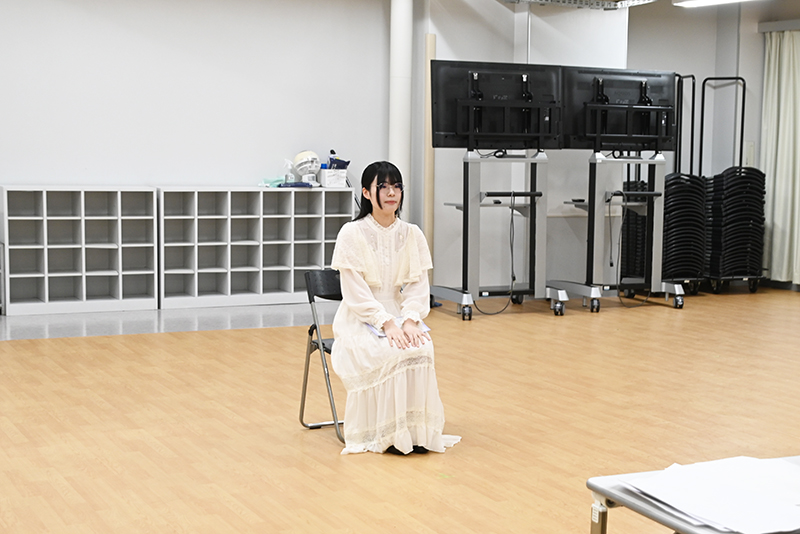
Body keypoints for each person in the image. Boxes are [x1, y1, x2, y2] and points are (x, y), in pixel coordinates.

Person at [329, 161, 460, 455]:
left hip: (400, 312)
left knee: (422, 347)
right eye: (384, 187)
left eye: (397, 186)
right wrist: (386, 323)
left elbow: (417, 286)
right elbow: (355, 292)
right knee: (391, 351)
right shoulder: (351, 233)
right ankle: (387, 434)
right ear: (366, 192)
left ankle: (415, 433)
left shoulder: (412, 233)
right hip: (360, 317)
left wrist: (411, 319)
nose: (392, 193)